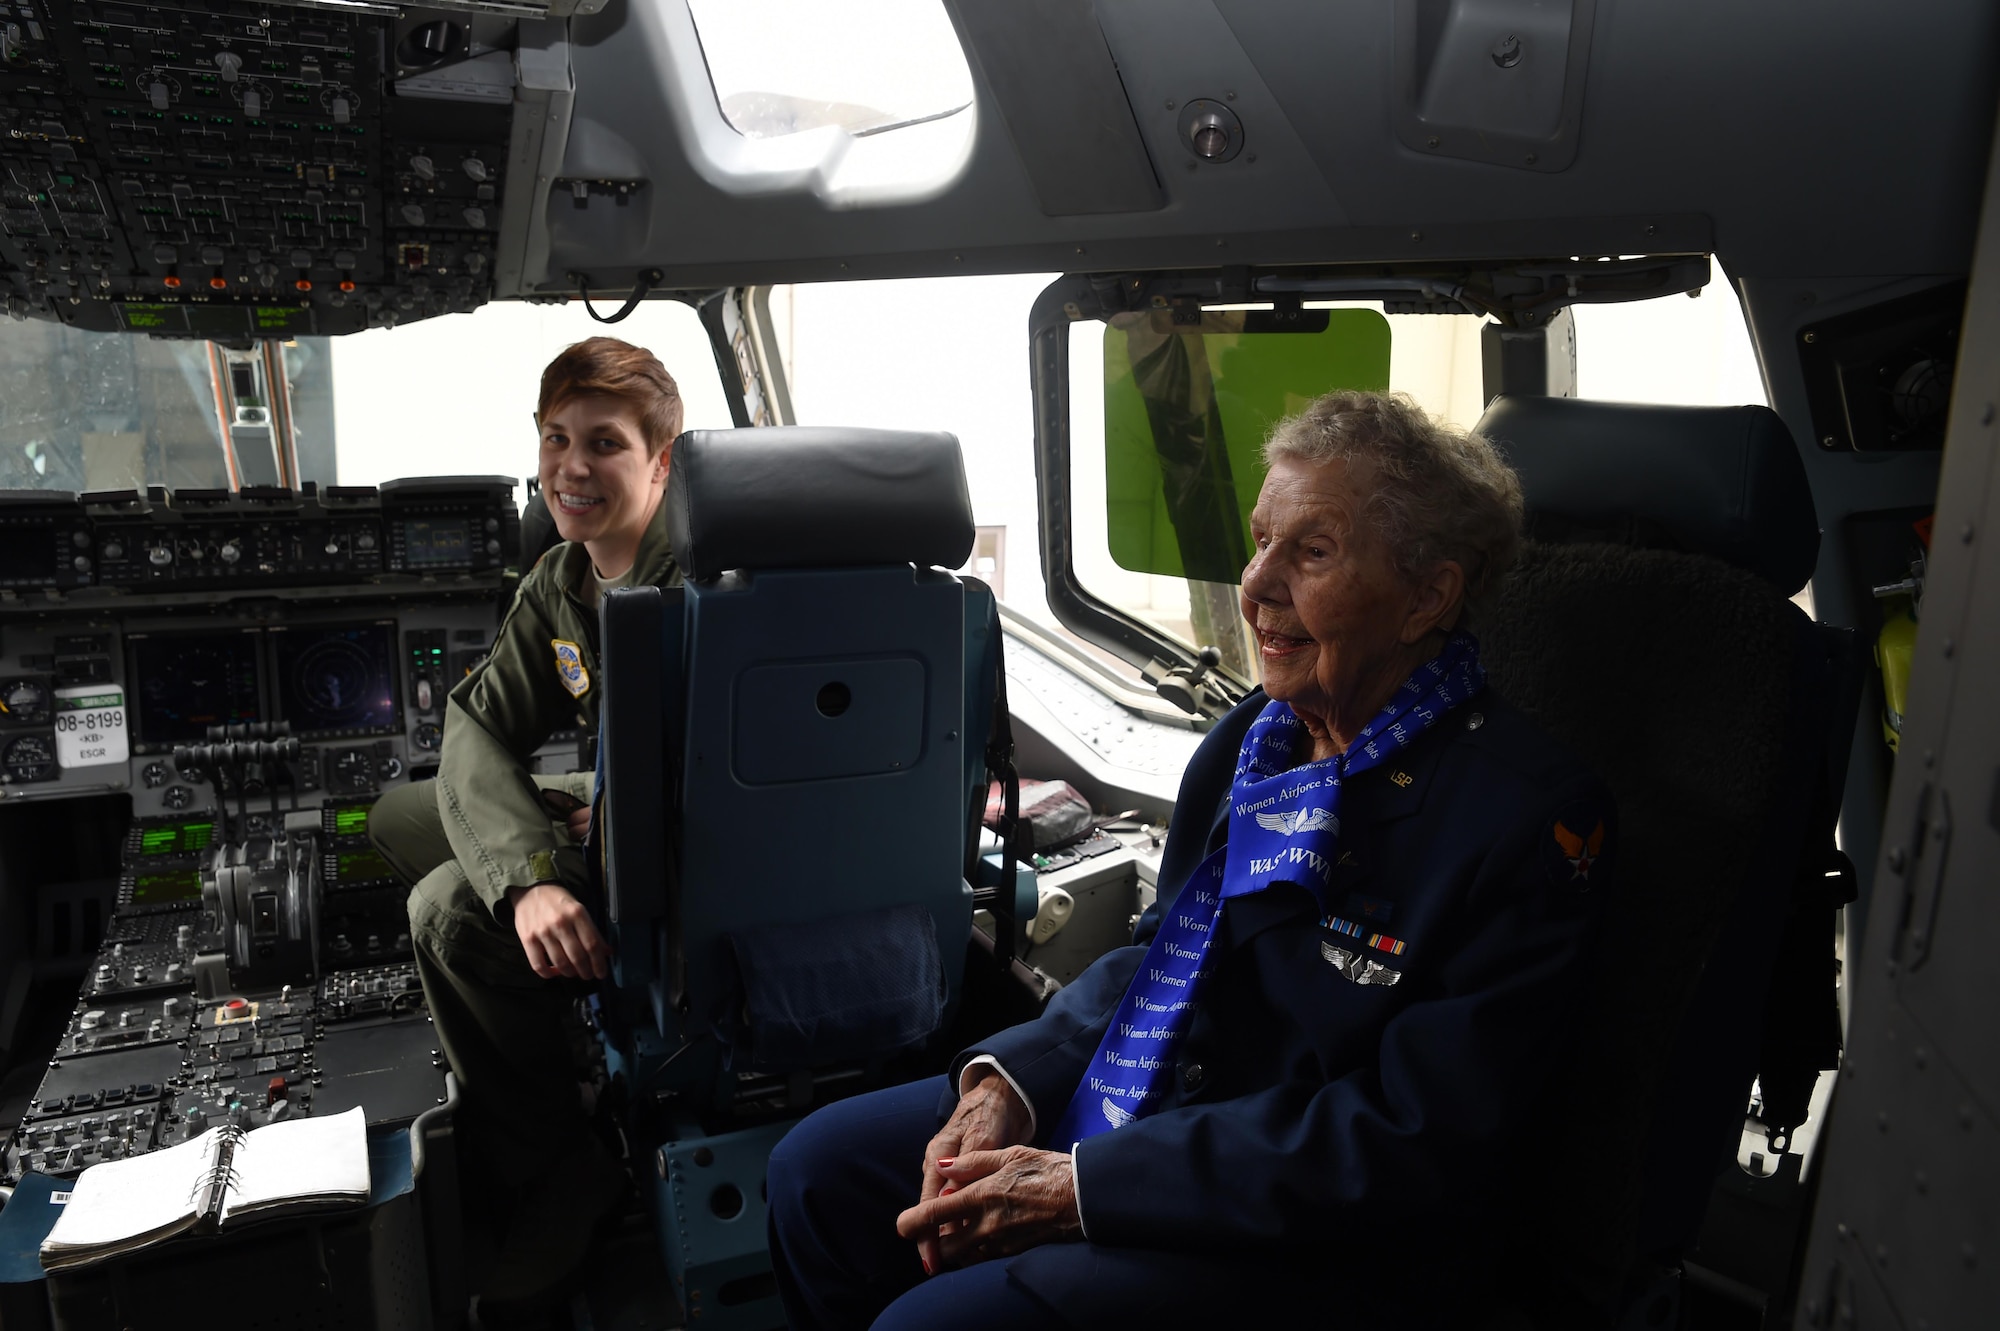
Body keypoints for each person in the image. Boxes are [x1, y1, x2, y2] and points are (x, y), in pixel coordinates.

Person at [766, 390, 1617, 1329]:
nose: (1256, 585)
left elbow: (1418, 1140)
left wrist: (1084, 1185)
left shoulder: (1523, 817)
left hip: (1318, 1230)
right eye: (1261, 541)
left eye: (1314, 551)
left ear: (1429, 595)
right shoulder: (1256, 741)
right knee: (818, 1171)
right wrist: (1007, 1081)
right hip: (1166, 1114)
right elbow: (1163, 954)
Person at [366, 336, 684, 1307]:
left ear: (659, 461)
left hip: (684, 856)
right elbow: (475, 719)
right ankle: (537, 962)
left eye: (603, 443)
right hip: (608, 820)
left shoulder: (702, 583)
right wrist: (536, 871)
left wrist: (527, 870)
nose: (570, 468)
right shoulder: (563, 581)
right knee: (395, 813)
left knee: (449, 910)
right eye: (554, 439)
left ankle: (560, 1159)